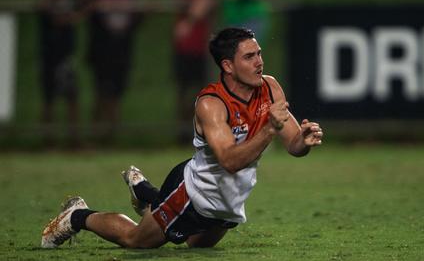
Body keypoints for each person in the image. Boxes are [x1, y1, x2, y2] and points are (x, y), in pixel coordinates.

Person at [41, 27, 324, 249]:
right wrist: (269, 130)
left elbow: (293, 145)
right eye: (249, 57)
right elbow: (228, 160)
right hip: (194, 193)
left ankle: (148, 196)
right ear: (227, 65)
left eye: (259, 53)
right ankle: (78, 216)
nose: (259, 62)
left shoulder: (270, 87)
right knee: (137, 240)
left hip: (230, 201)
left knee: (195, 244)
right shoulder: (211, 104)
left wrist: (304, 141)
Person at [80, 0, 143, 141]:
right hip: (101, 51)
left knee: (115, 96)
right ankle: (94, 135)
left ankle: (110, 137)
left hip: (121, 52)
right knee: (100, 94)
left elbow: (136, 18)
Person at [37, 0, 82, 145]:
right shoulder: (46, 4)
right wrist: (77, 15)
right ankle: (48, 140)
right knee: (49, 100)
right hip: (50, 59)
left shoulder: (69, 2)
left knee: (72, 99)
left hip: (66, 59)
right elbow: (58, 19)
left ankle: (74, 140)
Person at [172, 0, 211, 144]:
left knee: (202, 93)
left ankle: (199, 133)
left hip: (204, 48)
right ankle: (182, 131)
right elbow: (180, 2)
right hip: (185, 47)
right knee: (184, 91)